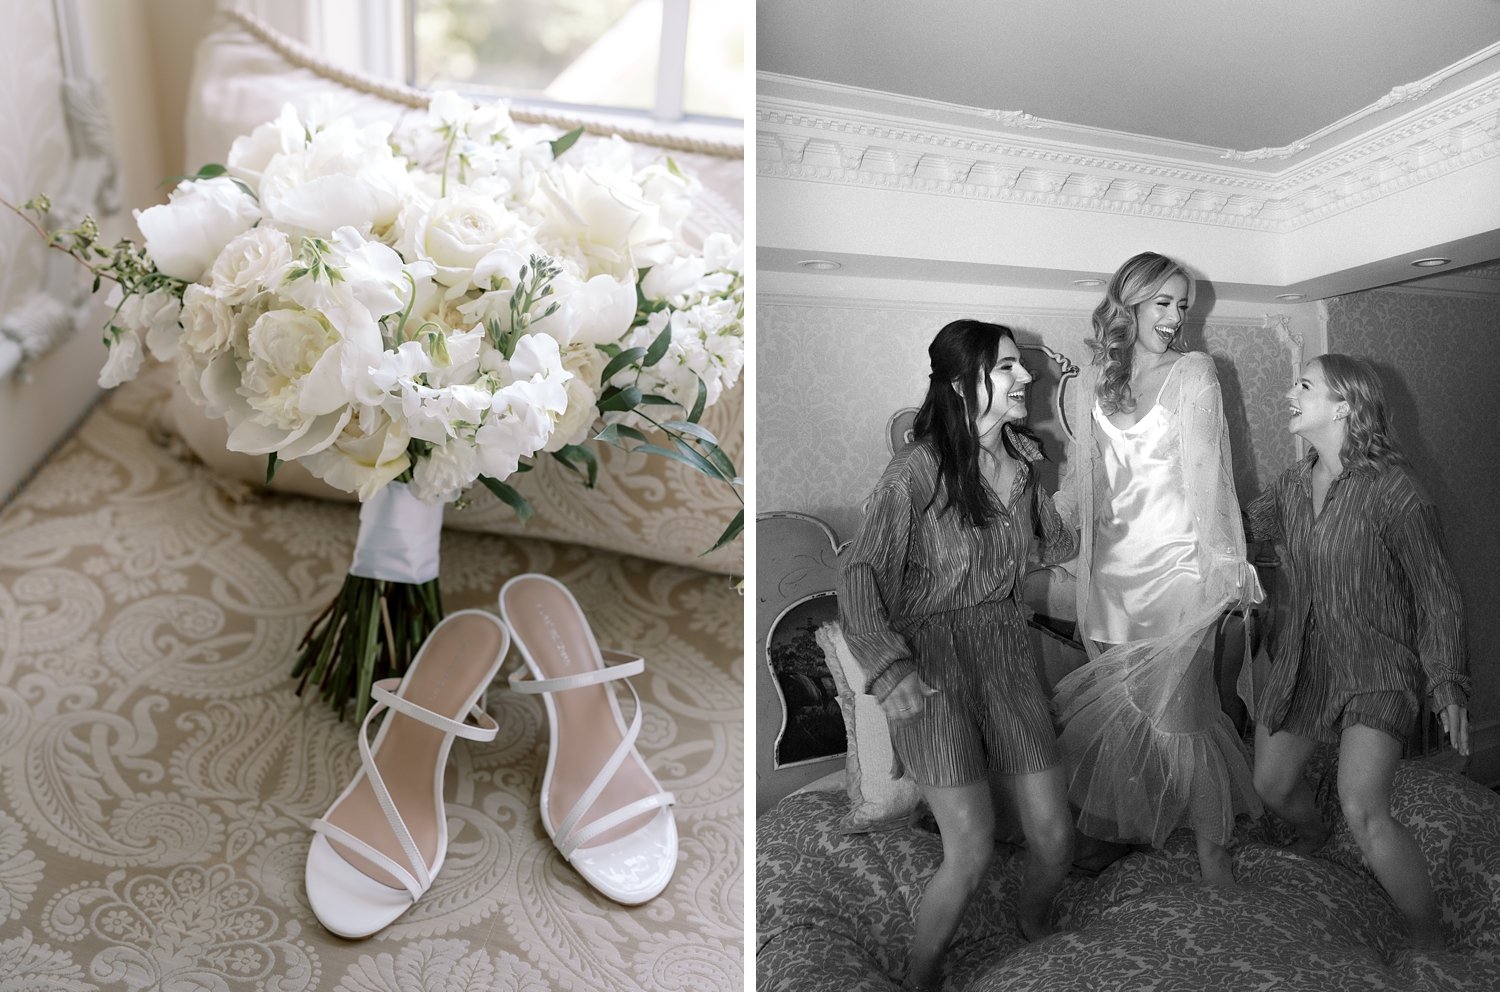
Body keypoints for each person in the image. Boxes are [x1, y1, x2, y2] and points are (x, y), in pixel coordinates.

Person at [839, 319, 1077, 990]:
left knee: (1056, 839)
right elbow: (860, 576)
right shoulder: (915, 471)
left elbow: (1053, 547)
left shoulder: (1026, 460)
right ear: (959, 381)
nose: (1024, 376)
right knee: (968, 850)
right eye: (1007, 367)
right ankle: (922, 975)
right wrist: (890, 667)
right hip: (931, 660)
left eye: (1020, 366)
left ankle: (1031, 922)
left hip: (1005, 651)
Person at [1244, 353, 1470, 951]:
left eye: (1304, 384)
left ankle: (1428, 937)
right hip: (1305, 661)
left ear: (1344, 405)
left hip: (1378, 667)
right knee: (1270, 785)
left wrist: (1447, 682)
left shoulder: (1395, 489)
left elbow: (1437, 589)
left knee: (1363, 808)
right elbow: (1238, 530)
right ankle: (1318, 834)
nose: (1289, 392)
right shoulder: (1292, 487)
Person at [1052, 251, 1262, 886]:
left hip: (1180, 575)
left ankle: (1213, 852)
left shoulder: (1195, 372)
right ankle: (1129, 831)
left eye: (1182, 307)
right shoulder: (1091, 382)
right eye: (1163, 304)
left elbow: (1209, 478)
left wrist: (1226, 568)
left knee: (1186, 717)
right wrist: (1037, 530)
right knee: (1124, 718)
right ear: (1130, 305)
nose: (1174, 318)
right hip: (1110, 580)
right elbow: (1080, 484)